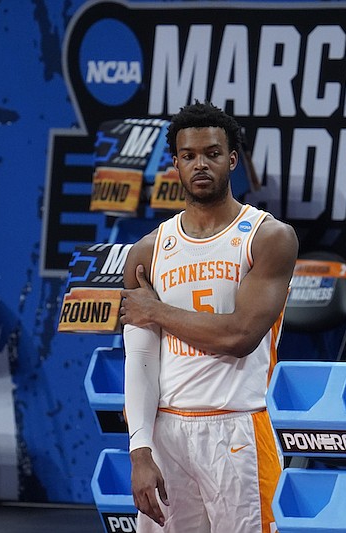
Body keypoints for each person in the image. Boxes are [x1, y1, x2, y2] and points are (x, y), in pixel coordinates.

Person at [118, 101, 298, 533]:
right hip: (167, 432)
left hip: (237, 429)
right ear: (175, 164)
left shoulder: (268, 237)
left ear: (231, 160)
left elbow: (240, 336)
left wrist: (156, 310)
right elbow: (141, 361)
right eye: (189, 155)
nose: (201, 164)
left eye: (213, 153)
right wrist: (140, 450)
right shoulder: (147, 250)